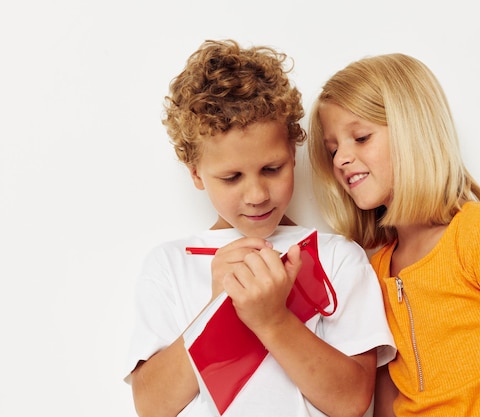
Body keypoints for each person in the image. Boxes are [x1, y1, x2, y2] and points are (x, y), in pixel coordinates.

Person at [124, 39, 396, 417]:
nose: (256, 195)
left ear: (293, 154)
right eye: (232, 177)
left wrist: (272, 320)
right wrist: (218, 308)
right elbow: (152, 407)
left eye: (272, 169)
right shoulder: (169, 266)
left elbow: (352, 401)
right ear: (196, 173)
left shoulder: (336, 257)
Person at [307, 53, 480, 416]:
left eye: (361, 137)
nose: (340, 159)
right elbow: (386, 406)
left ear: (413, 131)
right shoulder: (375, 269)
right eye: (333, 149)